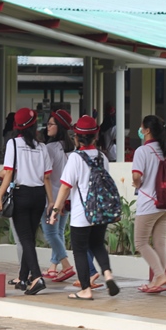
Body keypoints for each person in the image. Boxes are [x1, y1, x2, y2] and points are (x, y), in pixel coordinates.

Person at [50, 115, 120, 300]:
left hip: (82, 215)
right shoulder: (103, 157)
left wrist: (55, 210)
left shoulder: (75, 158)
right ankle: (108, 274)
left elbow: (65, 187)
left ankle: (86, 290)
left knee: (80, 250)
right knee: (97, 244)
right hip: (101, 212)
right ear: (95, 136)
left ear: (76, 137)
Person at [0, 108, 53, 296]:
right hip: (39, 196)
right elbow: (46, 178)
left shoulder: (13, 144)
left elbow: (9, 172)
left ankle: (36, 277)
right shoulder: (42, 147)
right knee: (29, 238)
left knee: (25, 239)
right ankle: (22, 277)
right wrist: (51, 202)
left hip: (21, 195)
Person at [132, 114, 166, 293]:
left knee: (140, 242)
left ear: (147, 130)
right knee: (159, 242)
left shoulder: (142, 151)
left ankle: (160, 275)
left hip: (149, 203)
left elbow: (136, 175)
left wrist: (138, 184)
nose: (140, 130)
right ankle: (156, 281)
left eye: (142, 127)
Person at [41, 109, 76, 282]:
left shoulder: (49, 148)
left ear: (59, 126)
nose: (47, 127)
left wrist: (51, 200)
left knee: (50, 233)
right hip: (68, 197)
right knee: (59, 231)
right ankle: (53, 268)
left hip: (52, 197)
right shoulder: (72, 148)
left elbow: (45, 175)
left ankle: (66, 265)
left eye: (51, 124)